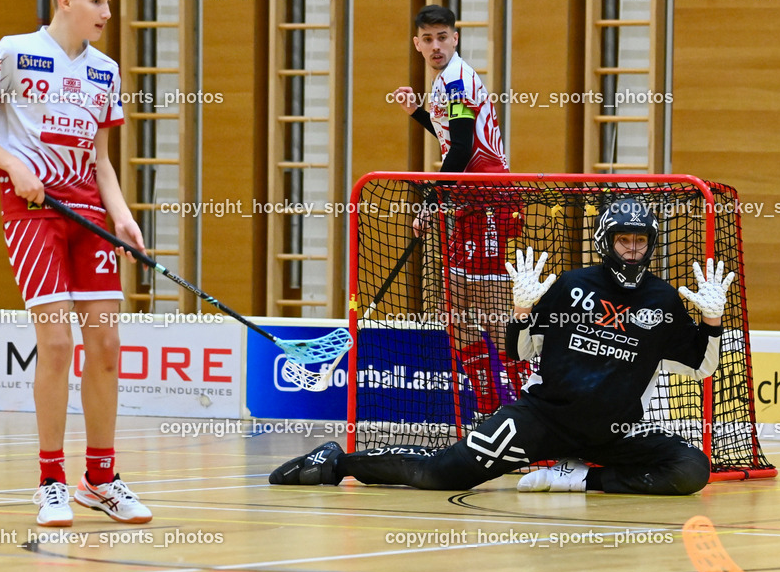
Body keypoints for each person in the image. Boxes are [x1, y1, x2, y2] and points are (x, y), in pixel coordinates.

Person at [270, 198, 734, 495]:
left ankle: (577, 478)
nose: (632, 249)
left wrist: (712, 323)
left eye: (641, 241)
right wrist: (521, 312)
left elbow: (701, 366)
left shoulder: (662, 299)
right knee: (440, 474)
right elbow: (521, 352)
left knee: (691, 469)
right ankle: (336, 462)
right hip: (541, 421)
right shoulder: (572, 285)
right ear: (605, 241)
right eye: (623, 239)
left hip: (615, 432)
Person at [0, 0, 152, 526]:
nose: (107, 12)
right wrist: (13, 164)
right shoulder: (14, 51)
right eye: (97, 1)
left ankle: (101, 479)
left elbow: (101, 161)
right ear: (65, 1)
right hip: (32, 213)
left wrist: (122, 217)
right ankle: (50, 481)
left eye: (108, 2)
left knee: (106, 344)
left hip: (88, 214)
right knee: (58, 343)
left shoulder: (106, 71)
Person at [391, 4, 526, 414]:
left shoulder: (457, 81)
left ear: (455, 38)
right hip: (466, 199)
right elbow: (453, 137)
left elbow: (464, 150)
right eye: (427, 39)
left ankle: (527, 408)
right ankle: (487, 407)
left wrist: (429, 204)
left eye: (442, 37)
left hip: (489, 200)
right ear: (417, 44)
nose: (435, 46)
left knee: (493, 311)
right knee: (456, 309)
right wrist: (417, 112)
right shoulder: (443, 82)